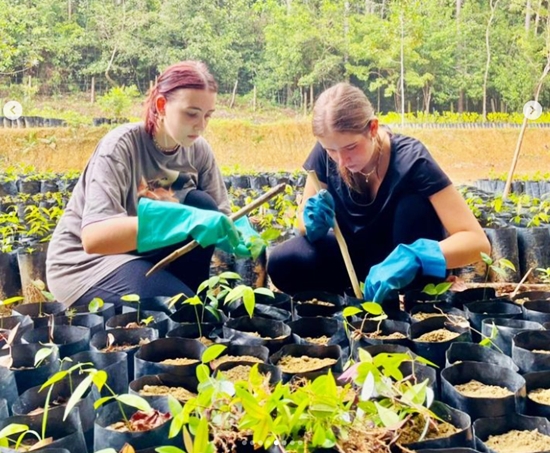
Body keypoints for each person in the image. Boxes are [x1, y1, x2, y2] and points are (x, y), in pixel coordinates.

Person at [46, 60, 257, 309]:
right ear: (161, 105)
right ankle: (185, 304)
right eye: (191, 113)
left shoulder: (198, 151)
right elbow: (94, 238)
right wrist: (183, 220)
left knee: (202, 204)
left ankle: (190, 296)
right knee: (186, 312)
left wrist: (242, 234)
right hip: (89, 263)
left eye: (207, 116)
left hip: (145, 256)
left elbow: (219, 215)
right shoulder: (120, 147)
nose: (200, 126)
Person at [267, 82, 490, 303]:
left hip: (401, 265)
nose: (342, 160)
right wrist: (312, 223)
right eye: (331, 150)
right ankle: (349, 298)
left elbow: (477, 242)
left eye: (351, 147)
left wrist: (416, 256)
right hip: (353, 263)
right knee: (283, 262)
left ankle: (413, 296)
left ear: (373, 128)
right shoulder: (326, 155)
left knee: (412, 208)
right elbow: (303, 221)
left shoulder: (412, 161)